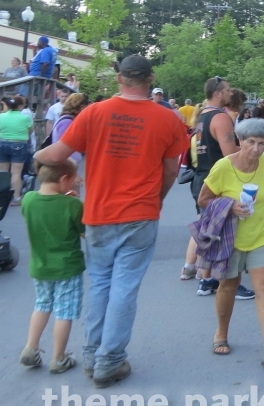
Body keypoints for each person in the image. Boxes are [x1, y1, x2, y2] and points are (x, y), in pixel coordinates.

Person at [34, 54, 190, 388]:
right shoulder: (170, 120)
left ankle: (92, 356)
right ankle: (109, 361)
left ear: (119, 78)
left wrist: (34, 157)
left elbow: (58, 155)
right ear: (150, 80)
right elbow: (171, 170)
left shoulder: (94, 112)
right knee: (124, 289)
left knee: (101, 285)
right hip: (140, 215)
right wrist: (156, 200)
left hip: (99, 214)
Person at [197, 119, 264, 366]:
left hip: (261, 232)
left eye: (262, 143)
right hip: (231, 237)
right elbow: (203, 200)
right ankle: (221, 333)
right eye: (250, 142)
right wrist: (230, 206)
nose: (256, 148)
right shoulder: (223, 167)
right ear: (240, 141)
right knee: (229, 285)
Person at [185, 77, 254, 300]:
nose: (230, 93)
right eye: (226, 90)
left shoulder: (202, 115)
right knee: (227, 234)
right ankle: (228, 282)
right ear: (217, 93)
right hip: (218, 179)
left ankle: (207, 281)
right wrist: (252, 149)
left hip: (201, 178)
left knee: (209, 232)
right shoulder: (221, 117)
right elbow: (229, 153)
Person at [18, 158, 84, 373]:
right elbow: (84, 233)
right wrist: (75, 201)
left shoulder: (28, 199)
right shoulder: (72, 205)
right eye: (73, 180)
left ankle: (31, 348)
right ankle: (59, 358)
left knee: (42, 305)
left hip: (40, 266)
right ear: (64, 179)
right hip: (67, 267)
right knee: (64, 312)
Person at [1, 95, 33, 204]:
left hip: (2, 143)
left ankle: (2, 197)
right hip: (19, 144)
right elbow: (30, 131)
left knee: (3, 172)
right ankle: (16, 198)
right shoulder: (25, 117)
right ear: (20, 105)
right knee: (16, 173)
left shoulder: (2, 116)